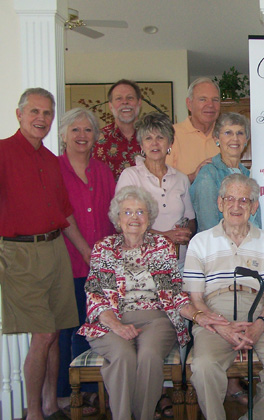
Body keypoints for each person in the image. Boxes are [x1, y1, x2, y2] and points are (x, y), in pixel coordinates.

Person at [0, 88, 92, 420]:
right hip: (20, 253)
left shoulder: (50, 160)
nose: (41, 118)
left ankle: (52, 403)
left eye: (47, 113)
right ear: (20, 114)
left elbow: (64, 212)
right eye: (35, 112)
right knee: (44, 334)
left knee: (56, 330)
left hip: (56, 250)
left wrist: (84, 249)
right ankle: (34, 411)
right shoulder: (3, 152)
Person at [77, 186, 207, 420]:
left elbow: (174, 292)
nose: (134, 218)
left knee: (148, 356)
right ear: (118, 218)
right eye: (127, 212)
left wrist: (197, 316)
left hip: (156, 319)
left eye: (140, 212)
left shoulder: (160, 246)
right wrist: (116, 326)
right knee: (123, 357)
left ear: (149, 218)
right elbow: (95, 297)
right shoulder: (104, 249)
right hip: (111, 320)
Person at [183, 174, 264, 420]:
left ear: (254, 206)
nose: (236, 206)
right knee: (203, 367)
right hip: (214, 312)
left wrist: (259, 326)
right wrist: (219, 325)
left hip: (259, 310)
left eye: (244, 200)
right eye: (230, 199)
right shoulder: (200, 242)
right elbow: (196, 299)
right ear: (220, 203)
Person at [56, 108, 116, 416]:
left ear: (95, 136)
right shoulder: (54, 169)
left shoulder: (103, 171)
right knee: (69, 328)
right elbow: (58, 216)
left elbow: (114, 216)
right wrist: (85, 251)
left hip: (102, 265)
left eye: (88, 130)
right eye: (75, 130)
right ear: (64, 134)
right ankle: (65, 394)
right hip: (67, 263)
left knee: (94, 327)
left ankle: (92, 392)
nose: (82, 135)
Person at [116, 112, 196, 269]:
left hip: (178, 263)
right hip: (141, 262)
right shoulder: (130, 176)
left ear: (170, 143)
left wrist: (186, 232)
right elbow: (122, 223)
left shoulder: (181, 178)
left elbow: (191, 219)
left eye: (160, 137)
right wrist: (166, 236)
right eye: (148, 138)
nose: (154, 143)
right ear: (141, 145)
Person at [191, 112, 261, 232]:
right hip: (219, 248)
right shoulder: (208, 174)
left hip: (250, 246)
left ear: (246, 140)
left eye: (240, 133)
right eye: (228, 133)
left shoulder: (249, 175)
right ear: (217, 139)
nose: (235, 138)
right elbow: (208, 226)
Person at [166, 77, 222, 183]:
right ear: (189, 104)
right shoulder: (171, 135)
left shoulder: (227, 136)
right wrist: (193, 177)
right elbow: (162, 183)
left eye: (215, 100)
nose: (210, 105)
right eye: (203, 99)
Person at [93, 79, 143, 180]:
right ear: (110, 106)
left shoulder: (154, 138)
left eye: (130, 98)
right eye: (119, 99)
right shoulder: (97, 140)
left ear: (139, 102)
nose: (125, 102)